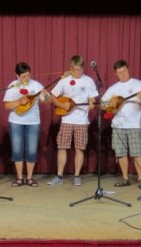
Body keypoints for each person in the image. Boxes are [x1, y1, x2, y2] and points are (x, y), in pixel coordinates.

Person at [47, 55, 98, 186]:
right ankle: (59, 176)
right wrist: (61, 104)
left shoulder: (89, 81)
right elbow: (52, 96)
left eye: (80, 69)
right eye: (75, 69)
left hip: (82, 121)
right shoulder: (64, 80)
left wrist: (92, 104)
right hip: (66, 120)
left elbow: (93, 99)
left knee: (79, 148)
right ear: (70, 68)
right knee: (62, 147)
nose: (78, 72)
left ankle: (76, 176)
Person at [101, 59, 141, 189]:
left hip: (133, 124)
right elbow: (102, 104)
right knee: (121, 152)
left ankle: (140, 178)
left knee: (137, 152)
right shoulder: (114, 88)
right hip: (118, 125)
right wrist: (112, 104)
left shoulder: (138, 84)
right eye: (119, 73)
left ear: (128, 69)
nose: (122, 74)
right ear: (116, 74)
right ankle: (125, 178)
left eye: (124, 71)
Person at [3, 62, 50, 187]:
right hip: (16, 122)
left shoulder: (36, 85)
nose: (26, 78)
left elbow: (46, 102)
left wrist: (45, 95)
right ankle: (19, 178)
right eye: (23, 76)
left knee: (31, 150)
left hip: (33, 122)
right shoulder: (12, 86)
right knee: (17, 149)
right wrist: (19, 101)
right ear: (17, 76)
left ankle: (29, 178)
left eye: (28, 75)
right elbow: (6, 105)